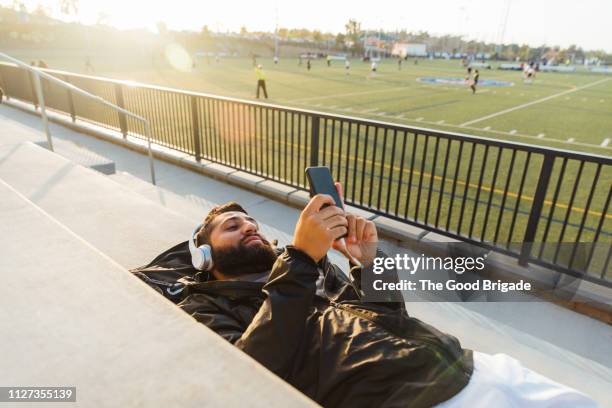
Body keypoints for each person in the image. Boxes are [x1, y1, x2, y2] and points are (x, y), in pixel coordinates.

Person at [133, 186, 598, 408]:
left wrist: (368, 265)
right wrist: (299, 259)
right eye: (232, 227)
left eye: (251, 221)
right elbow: (245, 372)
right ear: (203, 255)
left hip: (472, 365)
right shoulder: (205, 305)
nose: (249, 226)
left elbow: (388, 320)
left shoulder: (306, 269)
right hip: (418, 400)